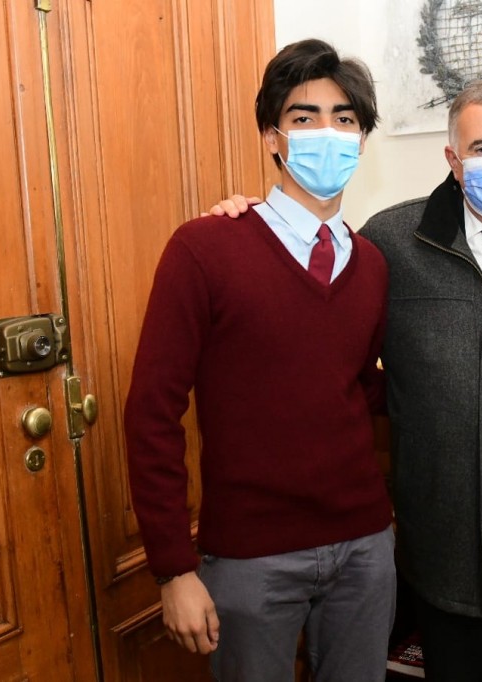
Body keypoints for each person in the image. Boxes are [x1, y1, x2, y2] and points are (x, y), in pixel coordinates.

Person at [212, 78, 482, 681]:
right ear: (452, 159)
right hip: (442, 546)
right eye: (481, 147)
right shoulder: (390, 243)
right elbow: (330, 347)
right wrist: (247, 223)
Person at [124, 39, 396, 681]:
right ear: (272, 137)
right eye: (305, 117)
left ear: (361, 140)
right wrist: (173, 568)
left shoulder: (372, 263)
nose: (327, 133)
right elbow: (152, 412)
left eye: (344, 119)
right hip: (250, 558)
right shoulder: (205, 248)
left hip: (364, 546)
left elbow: (362, 391)